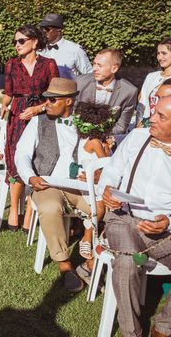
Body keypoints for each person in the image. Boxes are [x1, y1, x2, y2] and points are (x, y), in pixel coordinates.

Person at [15, 78, 102, 292]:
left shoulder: (87, 123)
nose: (47, 104)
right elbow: (22, 153)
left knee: (109, 212)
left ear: (69, 102)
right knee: (50, 207)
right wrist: (30, 177)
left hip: (82, 186)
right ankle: (64, 264)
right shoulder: (39, 121)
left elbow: (100, 156)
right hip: (47, 183)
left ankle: (92, 263)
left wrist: (96, 172)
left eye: (53, 100)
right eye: (46, 99)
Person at [100, 96, 171, 337]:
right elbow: (110, 171)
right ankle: (131, 332)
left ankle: (164, 326)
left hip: (164, 232)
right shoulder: (138, 137)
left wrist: (168, 222)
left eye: (162, 116)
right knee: (127, 262)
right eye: (155, 111)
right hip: (124, 219)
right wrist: (108, 189)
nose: (152, 118)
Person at [1, 24, 59, 232]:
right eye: (15, 41)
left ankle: (31, 211)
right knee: (16, 158)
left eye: (21, 41)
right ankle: (14, 210)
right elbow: (8, 92)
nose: (17, 45)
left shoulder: (49, 64)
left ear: (35, 42)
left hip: (42, 116)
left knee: (37, 160)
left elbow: (55, 96)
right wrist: (3, 104)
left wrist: (37, 109)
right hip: (17, 115)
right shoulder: (11, 65)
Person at [69, 101, 112, 284]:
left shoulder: (88, 140)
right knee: (101, 208)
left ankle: (93, 261)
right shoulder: (94, 142)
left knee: (105, 207)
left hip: (92, 182)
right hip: (88, 185)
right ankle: (87, 238)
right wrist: (108, 146)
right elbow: (109, 163)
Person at [76, 49, 138, 135]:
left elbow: (121, 126)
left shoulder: (129, 91)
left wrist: (100, 136)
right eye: (94, 64)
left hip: (108, 139)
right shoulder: (80, 82)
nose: (94, 68)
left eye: (99, 65)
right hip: (79, 135)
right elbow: (71, 114)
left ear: (114, 68)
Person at [38, 13, 92, 79]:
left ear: (59, 29)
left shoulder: (75, 50)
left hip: (68, 89)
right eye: (42, 29)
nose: (44, 31)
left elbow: (89, 75)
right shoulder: (39, 50)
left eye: (47, 29)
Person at [137, 37, 171, 127]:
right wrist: (140, 122)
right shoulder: (152, 77)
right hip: (147, 124)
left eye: (164, 53)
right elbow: (142, 102)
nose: (160, 57)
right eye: (158, 53)